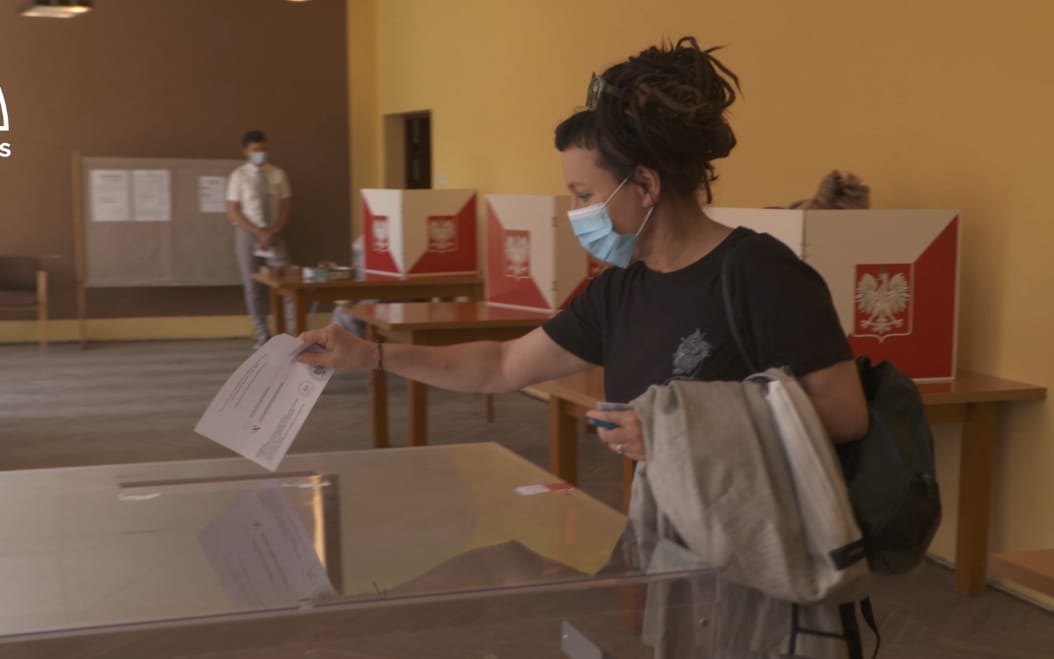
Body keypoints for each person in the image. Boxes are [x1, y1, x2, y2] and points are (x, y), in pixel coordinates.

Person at [297, 37, 869, 656]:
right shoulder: (621, 290)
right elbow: (502, 364)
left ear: (644, 184)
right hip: (680, 548)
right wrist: (374, 356)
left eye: (583, 194)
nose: (574, 212)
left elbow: (844, 413)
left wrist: (677, 431)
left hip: (772, 558)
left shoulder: (760, 273)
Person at [226, 129, 294, 348]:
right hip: (248, 233)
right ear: (246, 151)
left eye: (263, 149)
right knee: (252, 286)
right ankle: (262, 333)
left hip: (275, 232)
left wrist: (273, 231)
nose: (260, 153)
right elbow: (234, 211)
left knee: (287, 282)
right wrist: (258, 232)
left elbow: (286, 206)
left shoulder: (278, 174)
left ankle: (291, 333)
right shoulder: (238, 176)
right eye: (255, 150)